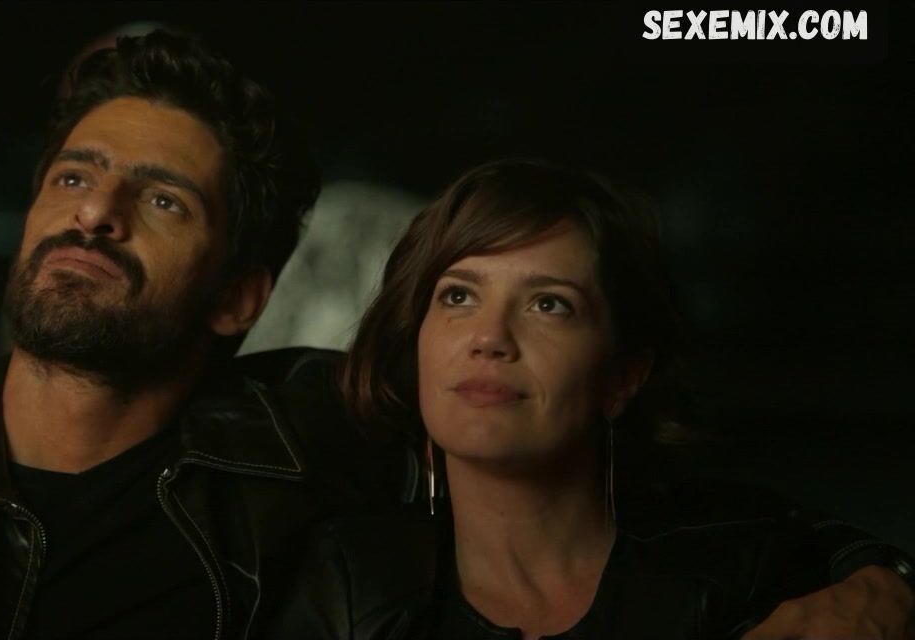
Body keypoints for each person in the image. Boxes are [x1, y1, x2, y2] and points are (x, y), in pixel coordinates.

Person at [0, 32, 913, 640]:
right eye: (73, 176)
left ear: (238, 296)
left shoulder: (312, 435)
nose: (94, 213)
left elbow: (640, 492)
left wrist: (876, 583)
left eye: (162, 201)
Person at [271, 160, 915, 639]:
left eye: (549, 305)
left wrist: (889, 584)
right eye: (459, 296)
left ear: (622, 377)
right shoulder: (342, 580)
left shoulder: (742, 565)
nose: (490, 338)